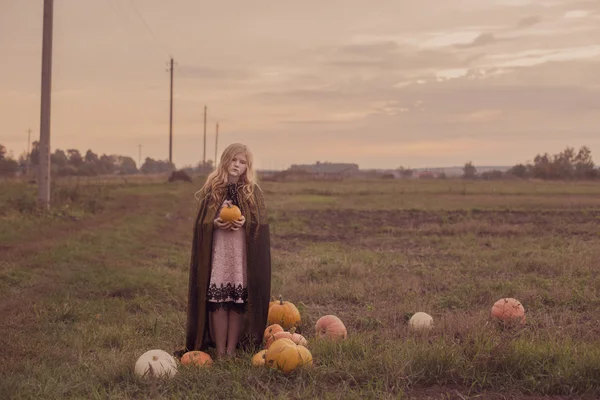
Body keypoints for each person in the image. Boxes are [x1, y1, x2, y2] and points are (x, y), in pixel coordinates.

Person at [184, 143, 271, 359]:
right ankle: (220, 350)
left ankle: (231, 350)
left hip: (241, 253)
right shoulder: (212, 188)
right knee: (218, 301)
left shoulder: (252, 191)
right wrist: (214, 223)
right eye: (234, 160)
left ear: (247, 167)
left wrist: (245, 221)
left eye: (242, 162)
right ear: (225, 160)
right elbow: (201, 223)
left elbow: (260, 223)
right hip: (219, 252)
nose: (237, 165)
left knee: (237, 301)